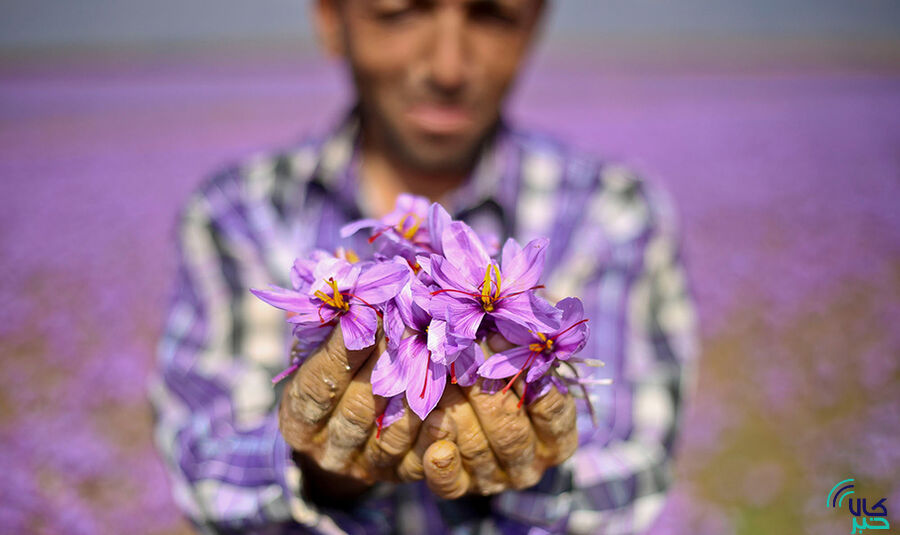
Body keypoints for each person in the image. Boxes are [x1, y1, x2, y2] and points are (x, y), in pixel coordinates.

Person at [150, 1, 699, 533]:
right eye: (400, 11)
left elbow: (635, 470)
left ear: (533, 23)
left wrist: (542, 478)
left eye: (491, 13)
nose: (448, 67)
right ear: (330, 18)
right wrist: (316, 468)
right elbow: (208, 472)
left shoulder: (613, 215)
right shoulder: (240, 213)